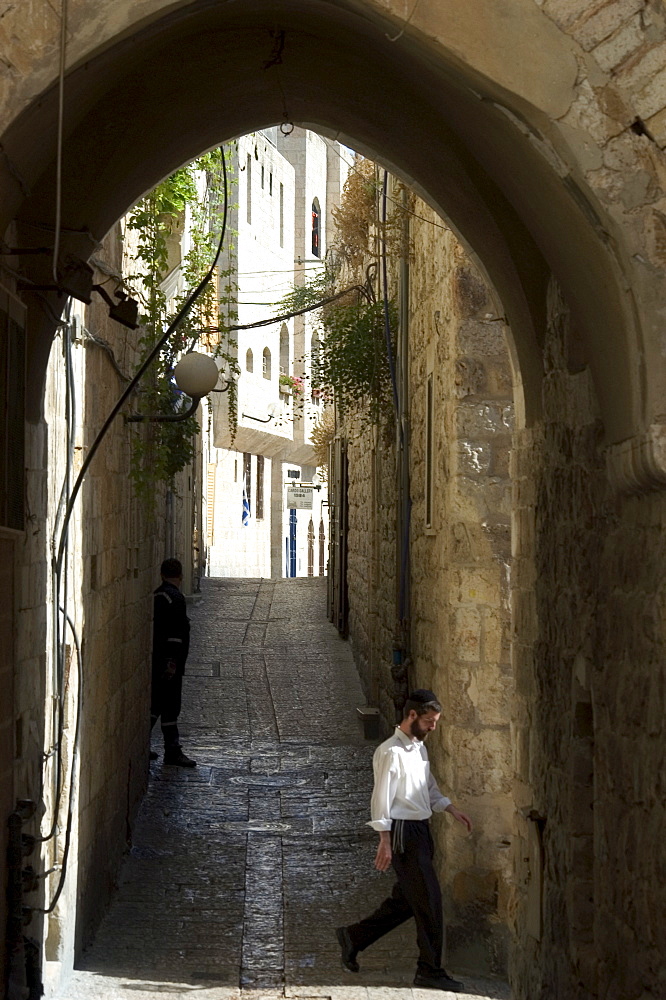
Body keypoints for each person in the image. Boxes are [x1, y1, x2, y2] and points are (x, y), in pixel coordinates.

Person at [336, 689, 472, 992]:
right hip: (401, 834)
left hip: (421, 831)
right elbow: (380, 798)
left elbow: (428, 787)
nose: (433, 727)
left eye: (435, 721)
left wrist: (450, 809)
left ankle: (353, 937)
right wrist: (383, 839)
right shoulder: (390, 752)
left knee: (408, 902)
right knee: (431, 903)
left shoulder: (418, 748)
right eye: (429, 721)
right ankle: (429, 970)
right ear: (412, 715)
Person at [149, 558, 196, 767]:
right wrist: (172, 662)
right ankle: (172, 750)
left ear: (161, 574)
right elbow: (176, 634)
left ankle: (146, 744)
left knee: (157, 703)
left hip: (157, 658)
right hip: (170, 662)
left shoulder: (157, 595)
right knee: (170, 706)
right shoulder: (175, 598)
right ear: (181, 576)